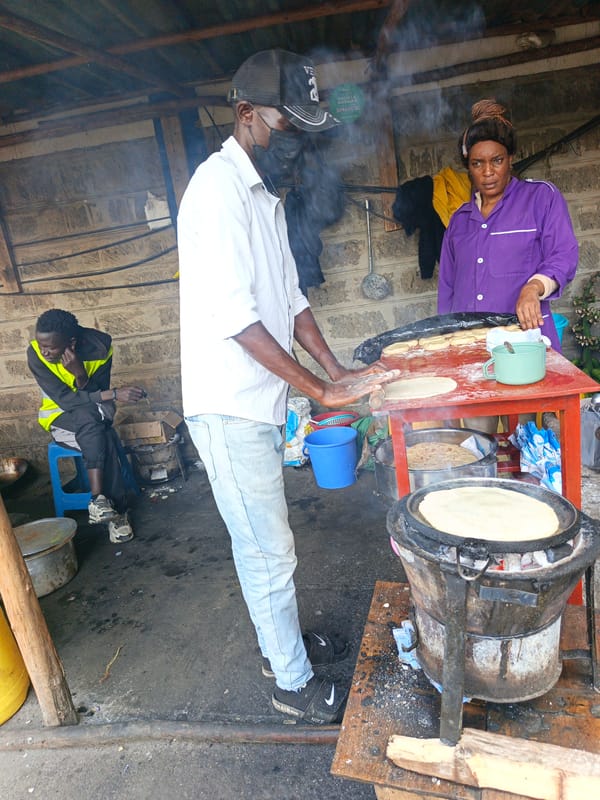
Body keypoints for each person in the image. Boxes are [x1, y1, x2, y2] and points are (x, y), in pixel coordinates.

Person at [177, 49, 400, 724]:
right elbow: (239, 320)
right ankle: (292, 686)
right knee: (267, 547)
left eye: (305, 131)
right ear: (246, 115)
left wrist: (335, 372)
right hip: (229, 407)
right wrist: (322, 393)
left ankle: (283, 649)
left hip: (259, 405)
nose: (296, 145)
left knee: (269, 544)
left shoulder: (265, 198)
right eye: (287, 127)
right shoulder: (215, 195)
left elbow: (291, 300)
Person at [438, 99, 578, 432]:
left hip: (524, 350)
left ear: (510, 159)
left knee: (526, 439)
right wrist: (447, 346)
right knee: (476, 442)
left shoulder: (540, 198)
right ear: (467, 166)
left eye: (496, 161)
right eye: (477, 163)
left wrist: (533, 287)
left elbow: (563, 254)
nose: (487, 173)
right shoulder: (460, 221)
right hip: (474, 351)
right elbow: (448, 290)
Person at [27, 308, 146, 543]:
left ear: (71, 342)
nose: (44, 351)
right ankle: (114, 511)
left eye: (50, 347)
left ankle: (99, 502)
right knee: (103, 435)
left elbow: (95, 394)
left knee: (91, 419)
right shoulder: (35, 354)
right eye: (42, 344)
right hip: (60, 418)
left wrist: (80, 374)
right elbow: (66, 400)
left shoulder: (101, 347)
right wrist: (112, 393)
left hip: (96, 412)